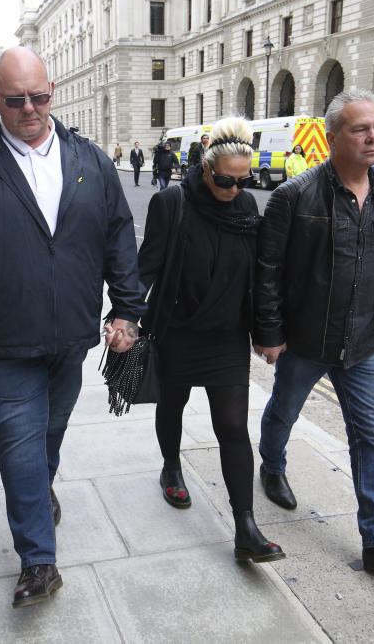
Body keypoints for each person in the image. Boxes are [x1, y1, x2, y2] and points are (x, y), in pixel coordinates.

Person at [0, 46, 146, 609]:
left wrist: (127, 310)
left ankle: (38, 492)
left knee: (48, 435)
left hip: (71, 336)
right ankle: (38, 559)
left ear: (53, 91)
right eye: (16, 100)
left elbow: (118, 238)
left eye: (39, 96)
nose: (30, 109)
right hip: (0, 339)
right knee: (19, 444)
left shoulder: (90, 159)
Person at [253, 89, 374, 574]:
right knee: (283, 412)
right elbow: (267, 269)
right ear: (333, 138)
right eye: (361, 129)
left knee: (372, 437)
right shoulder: (293, 195)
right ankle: (272, 466)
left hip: (364, 343)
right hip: (307, 339)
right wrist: (269, 332)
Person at [138, 117, 285, 564]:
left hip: (226, 337)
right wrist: (125, 317)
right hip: (179, 331)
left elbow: (263, 275)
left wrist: (267, 331)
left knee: (233, 427)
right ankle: (171, 466)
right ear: (205, 168)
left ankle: (245, 527)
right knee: (173, 405)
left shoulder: (246, 207)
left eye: (244, 181)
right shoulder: (171, 203)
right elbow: (145, 267)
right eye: (226, 179)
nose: (235, 188)